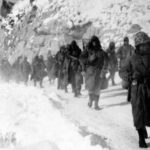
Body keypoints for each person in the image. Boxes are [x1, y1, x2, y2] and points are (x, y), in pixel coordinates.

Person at [119, 31, 150, 148]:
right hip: (137, 89)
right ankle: (141, 137)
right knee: (138, 113)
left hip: (149, 87)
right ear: (138, 46)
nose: (145, 47)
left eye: (146, 44)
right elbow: (122, 71)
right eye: (142, 45)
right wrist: (131, 77)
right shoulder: (132, 58)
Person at [84, 35, 108, 110]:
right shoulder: (87, 51)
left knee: (97, 89)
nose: (94, 43)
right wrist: (89, 59)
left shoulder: (101, 52)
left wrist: (104, 70)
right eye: (93, 42)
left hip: (99, 72)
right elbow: (81, 59)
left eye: (96, 42)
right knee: (91, 88)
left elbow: (106, 61)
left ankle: (96, 105)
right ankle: (90, 101)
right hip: (90, 72)